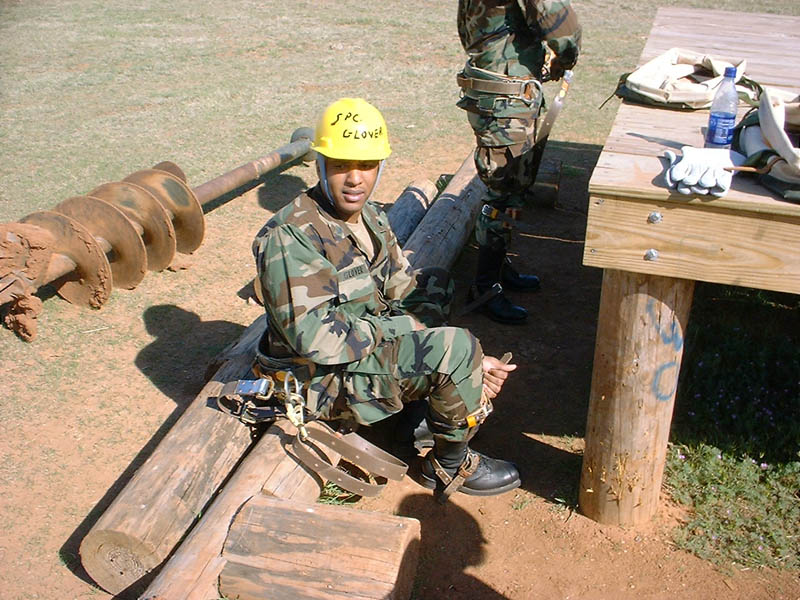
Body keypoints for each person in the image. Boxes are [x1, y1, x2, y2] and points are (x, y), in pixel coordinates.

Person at [252, 97, 520, 500]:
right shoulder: (291, 238)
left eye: (366, 165)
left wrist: (464, 362)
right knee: (455, 349)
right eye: (341, 165)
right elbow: (317, 341)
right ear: (320, 164)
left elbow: (402, 288)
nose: (354, 179)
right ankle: (448, 466)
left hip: (360, 349)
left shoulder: (370, 217)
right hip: (318, 380)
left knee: (435, 286)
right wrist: (451, 353)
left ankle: (431, 400)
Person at [457, 0, 582, 324]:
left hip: (497, 89)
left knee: (511, 189)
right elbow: (559, 21)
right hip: (506, 96)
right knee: (504, 191)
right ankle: (485, 288)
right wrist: (566, 57)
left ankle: (498, 268)